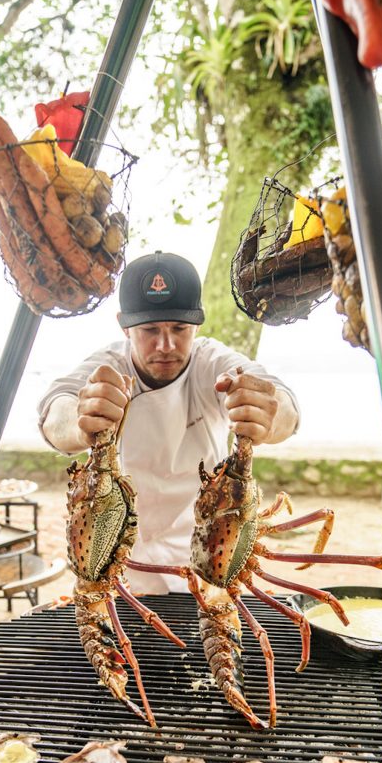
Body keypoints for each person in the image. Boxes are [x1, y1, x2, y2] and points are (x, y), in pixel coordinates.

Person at [38, 250, 300, 592]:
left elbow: (284, 405)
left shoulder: (213, 363)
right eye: (149, 330)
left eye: (180, 328)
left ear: (197, 325)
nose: (166, 344)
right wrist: (79, 423)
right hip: (120, 564)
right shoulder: (107, 367)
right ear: (125, 327)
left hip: (209, 562)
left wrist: (268, 415)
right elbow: (54, 411)